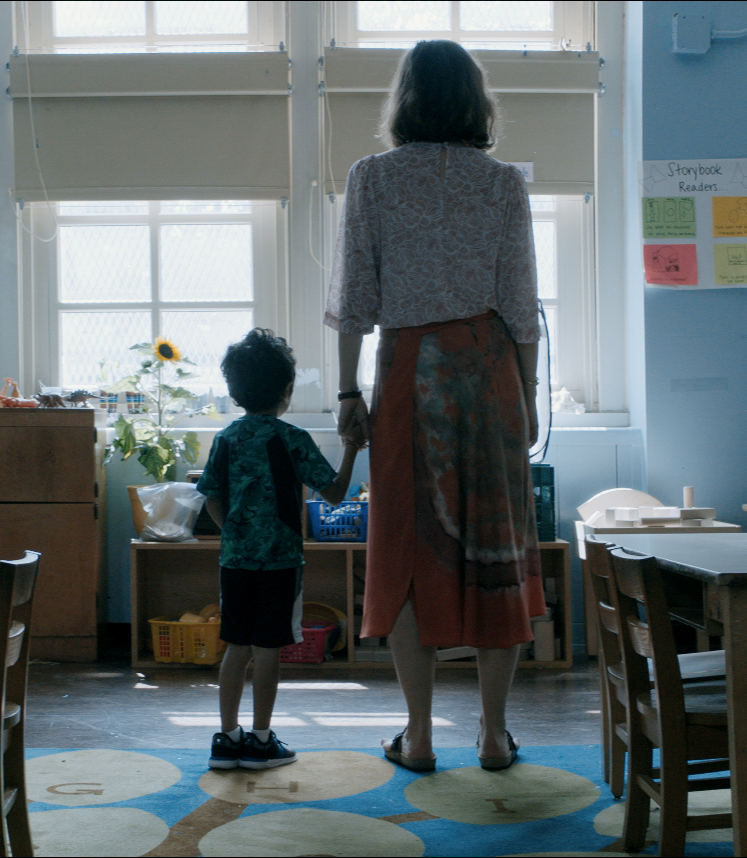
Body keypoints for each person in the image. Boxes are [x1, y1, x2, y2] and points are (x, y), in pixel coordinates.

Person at [324, 40, 543, 773]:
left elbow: (354, 298)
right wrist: (531, 396)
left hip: (409, 374)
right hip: (491, 375)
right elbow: (519, 305)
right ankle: (491, 733)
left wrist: (348, 390)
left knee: (409, 551)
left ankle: (417, 736)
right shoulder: (504, 183)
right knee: (497, 549)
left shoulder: (372, 179)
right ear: (477, 102)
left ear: (405, 100)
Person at [196, 328, 361, 771]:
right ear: (287, 390)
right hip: (282, 563)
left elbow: (210, 494)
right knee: (268, 652)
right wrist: (352, 448)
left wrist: (231, 528)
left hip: (235, 560)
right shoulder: (293, 439)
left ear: (234, 391)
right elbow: (335, 494)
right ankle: (261, 741)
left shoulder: (226, 438)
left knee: (235, 646)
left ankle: (227, 739)